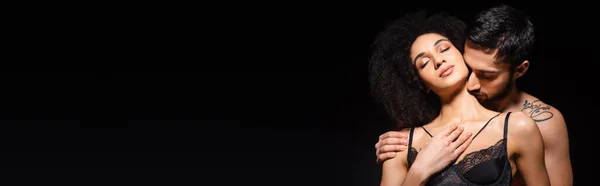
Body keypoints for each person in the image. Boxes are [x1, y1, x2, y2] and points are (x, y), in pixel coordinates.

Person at [374, 5, 572, 185]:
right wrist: (419, 170)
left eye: (444, 49)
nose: (439, 61)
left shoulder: (529, 124)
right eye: (424, 63)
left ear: (519, 71)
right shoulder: (402, 143)